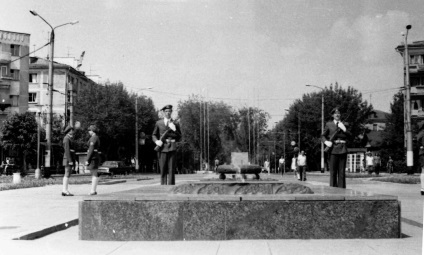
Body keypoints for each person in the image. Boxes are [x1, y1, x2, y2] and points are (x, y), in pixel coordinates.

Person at [321, 107, 350, 188]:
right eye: (335, 113)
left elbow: (351, 136)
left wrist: (345, 129)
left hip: (343, 149)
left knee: (342, 172)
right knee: (333, 172)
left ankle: (342, 190)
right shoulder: (329, 124)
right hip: (333, 149)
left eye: (339, 113)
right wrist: (326, 142)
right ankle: (333, 190)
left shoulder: (345, 124)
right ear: (333, 115)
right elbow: (322, 136)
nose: (337, 114)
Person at [152, 105, 182, 185]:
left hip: (172, 147)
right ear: (163, 112)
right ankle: (163, 187)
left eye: (169, 111)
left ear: (171, 112)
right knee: (163, 169)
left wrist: (175, 130)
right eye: (166, 111)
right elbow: (154, 135)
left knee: (171, 169)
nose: (168, 113)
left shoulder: (175, 123)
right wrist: (156, 141)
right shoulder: (158, 123)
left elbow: (179, 137)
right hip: (162, 147)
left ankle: (171, 187)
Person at [85, 124, 100, 195]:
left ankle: (93, 190)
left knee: (94, 174)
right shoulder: (96, 137)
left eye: (89, 130)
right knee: (95, 174)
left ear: (93, 131)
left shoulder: (93, 138)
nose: (88, 132)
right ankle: (93, 190)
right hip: (95, 156)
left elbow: (91, 149)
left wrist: (87, 159)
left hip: (93, 157)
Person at [61, 126, 75, 196]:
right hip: (67, 158)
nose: (73, 131)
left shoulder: (69, 138)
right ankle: (64, 190)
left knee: (67, 174)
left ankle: (65, 190)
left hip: (69, 158)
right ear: (69, 131)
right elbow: (67, 150)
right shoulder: (66, 138)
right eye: (72, 130)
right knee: (67, 174)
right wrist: (70, 160)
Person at [416, 121, 424, 195]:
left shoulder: (420, 133)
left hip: (422, 153)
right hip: (423, 153)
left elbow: (417, 141)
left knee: (423, 170)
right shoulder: (421, 133)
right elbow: (418, 142)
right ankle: (422, 188)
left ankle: (422, 188)